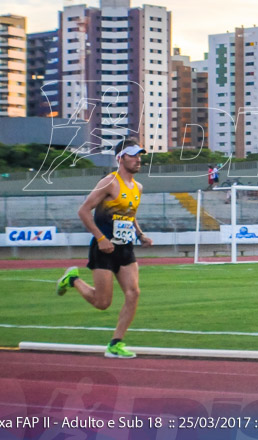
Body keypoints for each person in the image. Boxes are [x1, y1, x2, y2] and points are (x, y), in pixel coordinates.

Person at [56, 139, 152, 358]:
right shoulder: (109, 182)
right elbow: (83, 211)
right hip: (104, 248)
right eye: (133, 155)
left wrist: (140, 234)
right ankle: (73, 280)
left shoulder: (138, 187)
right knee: (102, 303)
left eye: (140, 155)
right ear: (120, 158)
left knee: (133, 293)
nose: (138, 159)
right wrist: (100, 238)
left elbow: (130, 214)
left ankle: (116, 343)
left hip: (125, 247)